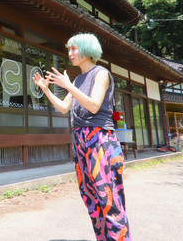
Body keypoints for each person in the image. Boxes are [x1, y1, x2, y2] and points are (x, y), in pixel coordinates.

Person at [33, 33, 131, 240]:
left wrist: (68, 86)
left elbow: (94, 105)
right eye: (69, 49)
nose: (70, 53)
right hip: (80, 140)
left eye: (74, 49)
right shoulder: (78, 79)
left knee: (109, 198)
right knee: (91, 198)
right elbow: (63, 108)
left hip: (100, 139)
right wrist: (47, 91)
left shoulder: (101, 74)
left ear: (88, 49)